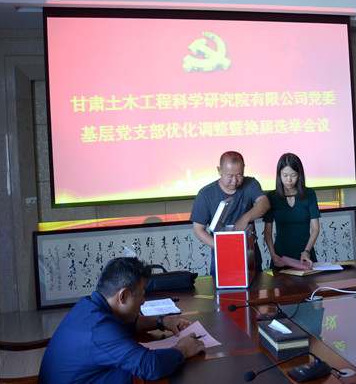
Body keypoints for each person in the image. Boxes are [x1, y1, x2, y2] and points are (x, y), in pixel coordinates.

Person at [39, 257, 204, 384]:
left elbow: (128, 324)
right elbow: (150, 366)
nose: (143, 302)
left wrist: (163, 321)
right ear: (123, 296)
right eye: (141, 295)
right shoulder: (100, 329)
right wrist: (183, 349)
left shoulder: (89, 306)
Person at [190, 151, 270, 273]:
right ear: (219, 170)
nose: (234, 181)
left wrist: (245, 218)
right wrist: (223, 248)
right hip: (222, 260)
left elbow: (264, 203)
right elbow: (198, 230)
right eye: (230, 176)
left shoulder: (251, 184)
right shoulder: (206, 194)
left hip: (250, 257)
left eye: (239, 175)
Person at [263, 153, 320, 269]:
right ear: (279, 175)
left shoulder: (309, 194)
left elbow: (315, 229)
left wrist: (307, 251)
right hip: (280, 256)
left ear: (299, 175)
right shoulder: (272, 197)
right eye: (285, 175)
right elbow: (267, 232)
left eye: (293, 175)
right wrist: (273, 255)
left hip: (305, 254)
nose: (289, 180)